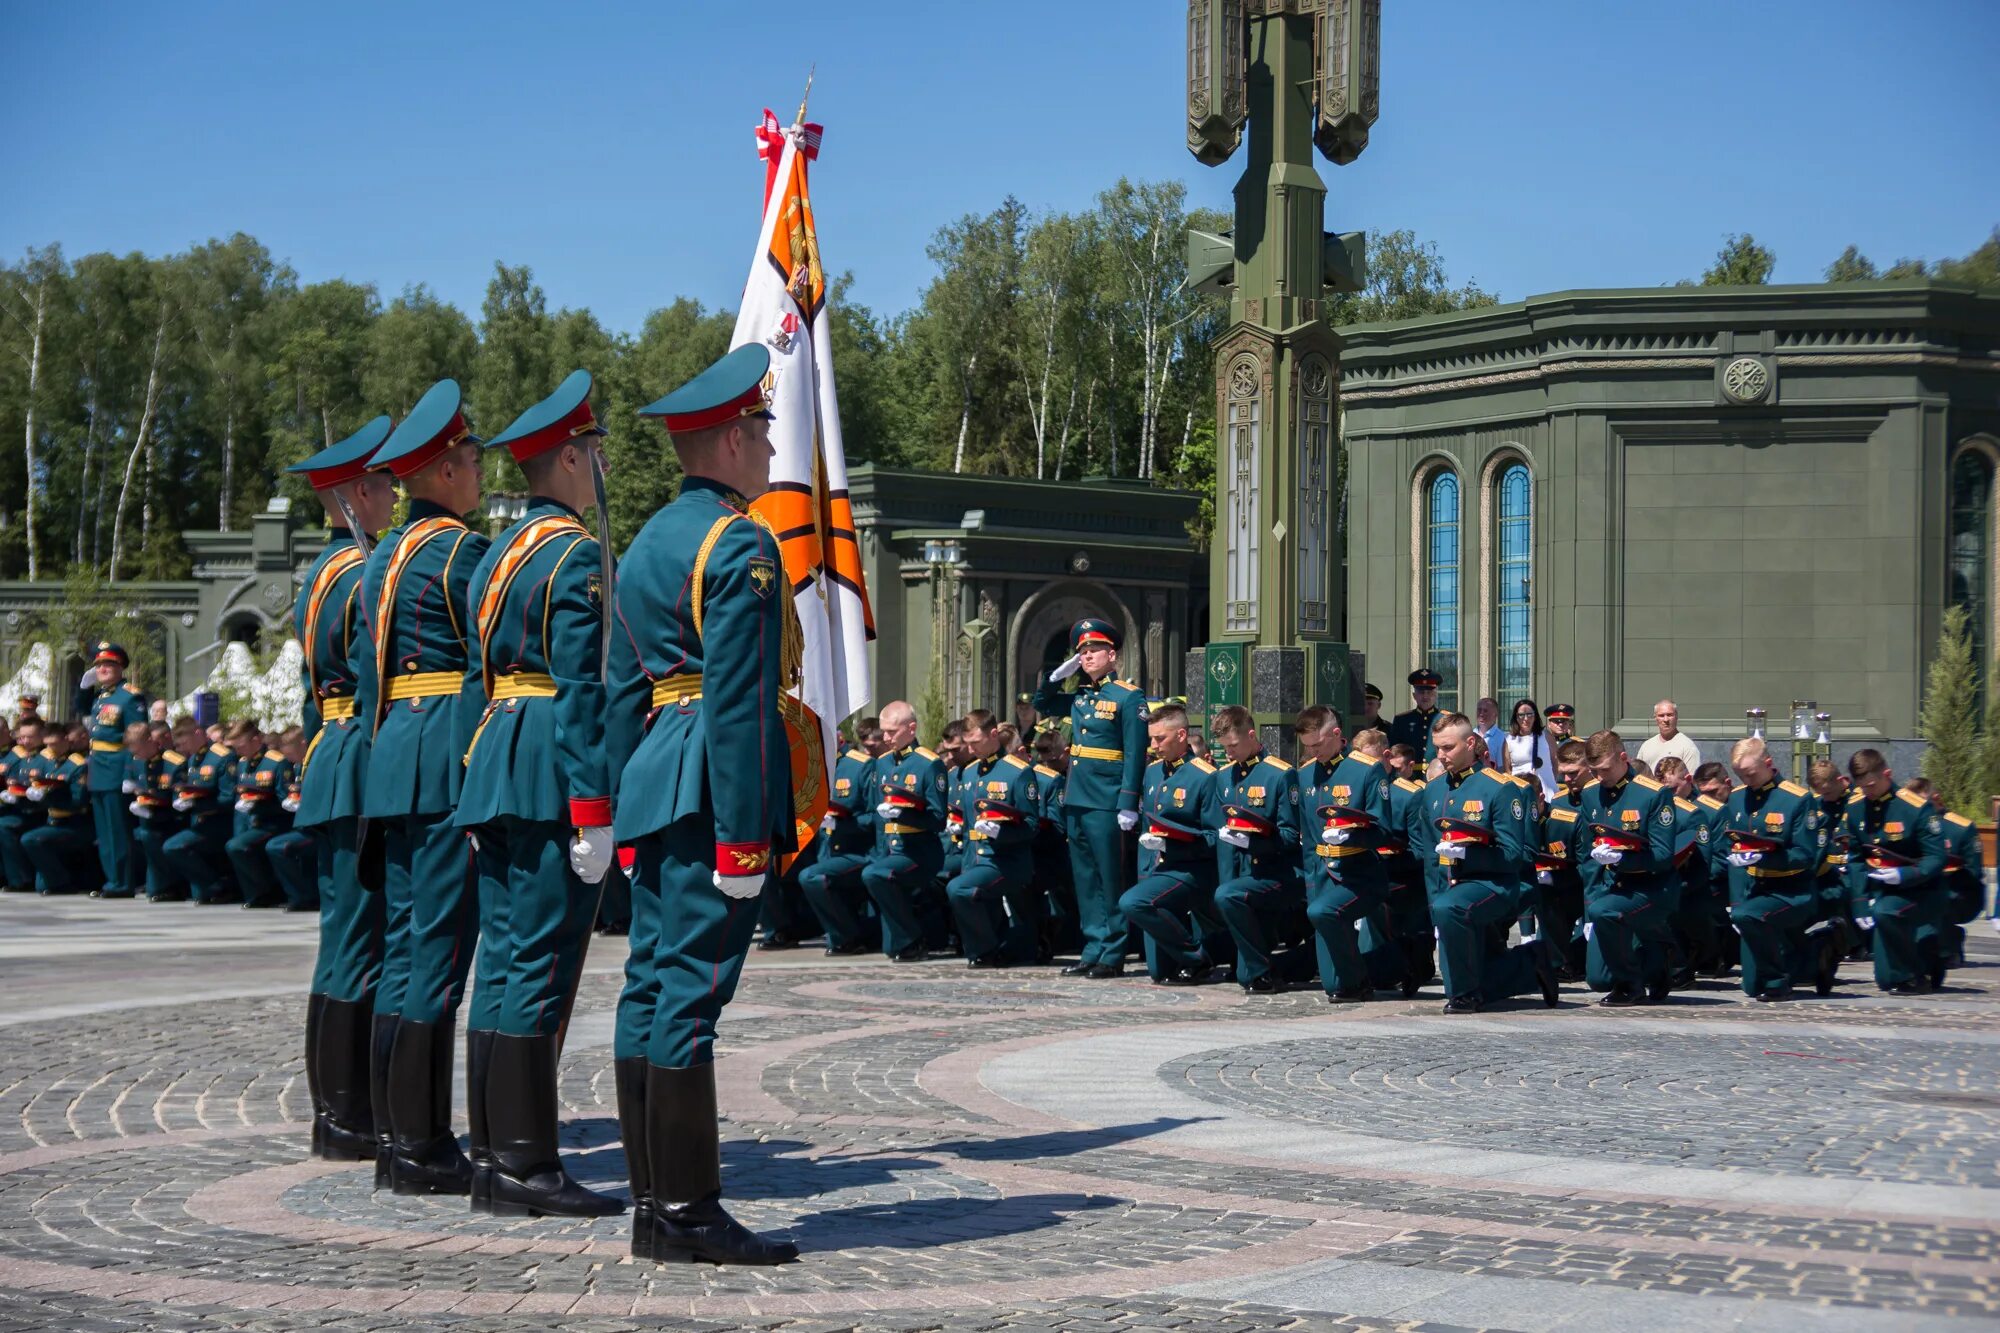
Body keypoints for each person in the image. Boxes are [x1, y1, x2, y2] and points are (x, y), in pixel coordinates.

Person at [607, 342, 798, 1264]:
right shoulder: (741, 542)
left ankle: (654, 1200)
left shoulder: (646, 543)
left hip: (653, 778)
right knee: (688, 994)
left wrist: (606, 809)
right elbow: (740, 705)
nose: (770, 446)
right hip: (705, 786)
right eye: (761, 428)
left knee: (649, 984)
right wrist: (744, 840)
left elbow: (618, 689)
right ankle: (685, 1210)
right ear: (728, 437)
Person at [442, 371, 625, 1219]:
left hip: (498, 760)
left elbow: (488, 677)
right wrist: (594, 810)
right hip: (551, 764)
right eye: (592, 452)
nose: (600, 466)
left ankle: (493, 1157)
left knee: (505, 965)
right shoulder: (575, 555)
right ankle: (524, 1163)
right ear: (566, 456)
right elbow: (583, 690)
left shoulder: (502, 554)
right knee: (542, 967)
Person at [361, 379, 491, 1196]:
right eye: (473, 459)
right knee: (438, 954)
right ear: (444, 468)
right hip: (444, 748)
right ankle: (420, 1144)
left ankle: (392, 1135)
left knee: (406, 949)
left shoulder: (383, 557)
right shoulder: (461, 553)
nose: (480, 472)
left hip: (396, 751)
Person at [286, 416, 396, 1168]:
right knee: (359, 941)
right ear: (359, 492)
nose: (394, 492)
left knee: (343, 942)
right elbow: (375, 682)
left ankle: (340, 1112)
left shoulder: (321, 572)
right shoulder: (360, 573)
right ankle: (348, 1113)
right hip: (358, 756)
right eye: (386, 481)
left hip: (329, 752)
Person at [1414, 712, 1556, 1013]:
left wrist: (1467, 854)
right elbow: (1430, 854)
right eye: (1438, 747)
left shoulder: (1500, 788)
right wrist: (1433, 897)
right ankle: (1530, 963)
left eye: (1449, 747)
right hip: (1449, 890)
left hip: (1492, 882)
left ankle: (1468, 995)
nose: (1441, 754)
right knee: (1470, 975)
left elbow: (1513, 854)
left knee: (1460, 987)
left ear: (1470, 743)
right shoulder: (1433, 790)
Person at [1031, 618, 1149, 978]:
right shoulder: (1082, 697)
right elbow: (1042, 702)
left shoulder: (1128, 697)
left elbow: (1134, 752)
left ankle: (1112, 952)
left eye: (1093, 650)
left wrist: (1128, 802)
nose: (1086, 656)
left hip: (1107, 800)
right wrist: (1055, 676)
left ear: (1112, 655)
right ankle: (1092, 947)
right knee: (1084, 878)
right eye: (1081, 651)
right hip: (1078, 798)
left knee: (1108, 877)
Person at [1294, 705, 1401, 1002]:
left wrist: (1351, 834)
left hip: (1358, 872)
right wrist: (1310, 881)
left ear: (1337, 734)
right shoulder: (1304, 775)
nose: (1313, 752)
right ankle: (1391, 966)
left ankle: (1361, 981)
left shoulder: (1367, 769)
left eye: (1317, 744)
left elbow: (1383, 830)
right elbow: (1307, 837)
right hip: (1321, 874)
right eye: (1307, 746)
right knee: (1331, 983)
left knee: (1323, 914)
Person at [1117, 703, 1226, 985]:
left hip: (1191, 869)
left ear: (1181, 736)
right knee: (1159, 973)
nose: (1153, 746)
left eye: (1160, 739)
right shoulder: (1153, 772)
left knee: (1133, 902)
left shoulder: (1205, 776)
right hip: (1157, 870)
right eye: (1151, 739)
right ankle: (1199, 953)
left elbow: (1216, 838)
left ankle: (1197, 956)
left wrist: (1172, 846)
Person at [1576, 730, 1679, 1007]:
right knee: (1597, 979)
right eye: (1594, 771)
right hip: (1614, 888)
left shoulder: (1652, 795)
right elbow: (1587, 854)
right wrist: (1591, 898)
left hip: (1653, 886)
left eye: (1605, 770)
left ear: (1623, 758)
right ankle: (1654, 956)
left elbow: (1662, 856)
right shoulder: (1590, 795)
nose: (1600, 777)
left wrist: (1622, 860)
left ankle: (1630, 985)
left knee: (1605, 912)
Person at [1716, 738, 1824, 1002]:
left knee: (1748, 916)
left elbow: (1805, 855)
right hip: (1755, 888)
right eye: (1740, 775)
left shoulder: (1797, 800)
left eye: (1750, 774)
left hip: (1791, 888)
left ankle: (1779, 979)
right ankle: (1805, 948)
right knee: (1751, 986)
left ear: (1768, 763)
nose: (1747, 780)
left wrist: (1760, 859)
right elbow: (1729, 841)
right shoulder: (1738, 798)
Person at [1208, 705, 1302, 993]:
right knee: (1243, 978)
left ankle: (1263, 970)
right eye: (1224, 748)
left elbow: (1290, 834)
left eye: (1233, 746)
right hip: (1237, 871)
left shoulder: (1279, 774)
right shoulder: (1223, 776)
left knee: (1229, 898)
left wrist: (1253, 842)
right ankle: (1258, 969)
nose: (1229, 754)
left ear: (1252, 735)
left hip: (1273, 870)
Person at [1841, 749, 1947, 994]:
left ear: (1887, 774)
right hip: (1883, 889)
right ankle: (1920, 962)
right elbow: (1856, 858)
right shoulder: (1856, 808)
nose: (1867, 792)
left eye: (1871, 785)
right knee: (1885, 979)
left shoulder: (1915, 808)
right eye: (1862, 787)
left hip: (1922, 889)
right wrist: (1858, 901)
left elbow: (1936, 857)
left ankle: (1915, 976)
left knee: (1885, 911)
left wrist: (1904, 875)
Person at [944, 709, 1043, 967]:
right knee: (972, 897)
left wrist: (1001, 832)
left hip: (1005, 860)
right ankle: (988, 949)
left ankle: (986, 950)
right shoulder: (968, 772)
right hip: (974, 858)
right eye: (968, 744)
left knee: (958, 889)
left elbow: (1031, 825)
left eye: (976, 742)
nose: (972, 749)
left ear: (994, 734)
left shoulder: (1018, 772)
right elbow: (967, 825)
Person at [859, 701, 950, 963]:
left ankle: (912, 937)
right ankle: (907, 940)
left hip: (918, 850)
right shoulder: (882, 763)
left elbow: (937, 818)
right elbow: (877, 815)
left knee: (874, 875)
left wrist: (905, 814)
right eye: (883, 732)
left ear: (911, 728)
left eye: (892, 732)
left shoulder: (929, 764)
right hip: (889, 849)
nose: (886, 738)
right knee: (892, 949)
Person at [799, 716, 882, 956]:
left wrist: (840, 821)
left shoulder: (861, 765)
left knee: (812, 878)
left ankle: (846, 938)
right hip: (824, 849)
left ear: (839, 738)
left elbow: (874, 817)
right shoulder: (813, 766)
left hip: (857, 851)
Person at [81, 641, 149, 897]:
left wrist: (131, 773)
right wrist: (84, 689)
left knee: (117, 831)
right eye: (99, 665)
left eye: (109, 664)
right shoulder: (101, 697)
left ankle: (122, 882)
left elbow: (136, 738)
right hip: (98, 769)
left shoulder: (130, 697)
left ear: (121, 667)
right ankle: (112, 880)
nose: (103, 669)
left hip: (117, 769)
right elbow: (82, 710)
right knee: (104, 832)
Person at [1903, 776, 1985, 968]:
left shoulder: (1960, 828)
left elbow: (1974, 872)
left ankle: (1948, 948)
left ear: (1936, 799)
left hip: (1959, 892)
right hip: (1917, 885)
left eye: (1921, 803)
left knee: (1939, 899)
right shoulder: (1908, 826)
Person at [162, 722, 238, 903]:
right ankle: (212, 887)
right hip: (198, 822)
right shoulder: (193, 759)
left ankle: (218, 887)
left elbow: (228, 797)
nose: (183, 748)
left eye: (185, 742)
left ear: (198, 733)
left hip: (219, 822)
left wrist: (197, 804)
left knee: (173, 846)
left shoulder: (222, 757)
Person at [221, 720, 293, 909]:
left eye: (241, 745)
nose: (238, 750)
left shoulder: (277, 762)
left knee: (236, 846)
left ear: (256, 740)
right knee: (236, 844)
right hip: (252, 821)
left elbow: (285, 801)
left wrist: (261, 802)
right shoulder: (243, 764)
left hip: (274, 822)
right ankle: (255, 893)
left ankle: (266, 890)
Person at [20, 723, 97, 894]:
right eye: (47, 745)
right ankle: (58, 880)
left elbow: (78, 801)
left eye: (54, 744)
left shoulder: (77, 765)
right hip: (53, 821)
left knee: (30, 840)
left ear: (66, 741)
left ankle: (62, 883)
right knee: (42, 886)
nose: (50, 749)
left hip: (74, 823)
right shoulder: (49, 763)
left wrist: (48, 798)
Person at [263, 728, 319, 912]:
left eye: (290, 753)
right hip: (301, 825)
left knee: (278, 847)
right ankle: (298, 895)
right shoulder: (296, 766)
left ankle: (304, 896)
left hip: (316, 828)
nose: (288, 758)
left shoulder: (315, 764)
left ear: (303, 745)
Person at [0, 716, 47, 893]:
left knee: (2, 827)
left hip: (31, 812)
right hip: (14, 807)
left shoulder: (21, 757)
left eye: (29, 737)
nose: (25, 741)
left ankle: (19, 879)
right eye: (22, 737)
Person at [1502, 699, 1558, 798]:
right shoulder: (1509, 740)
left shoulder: (1546, 735)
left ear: (1535, 716)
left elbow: (1556, 762)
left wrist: (1551, 780)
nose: (1526, 718)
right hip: (1521, 791)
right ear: (1516, 717)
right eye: (1521, 715)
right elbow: (1508, 770)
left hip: (1547, 791)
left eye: (1529, 714)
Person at [1387, 669, 1443, 761]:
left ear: (1436, 694)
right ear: (1414, 695)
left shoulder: (1446, 719)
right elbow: (1395, 751)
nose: (1425, 696)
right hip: (1409, 773)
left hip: (1438, 772)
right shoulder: (1401, 720)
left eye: (1429, 692)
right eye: (1421, 692)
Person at [1637, 699, 1701, 773]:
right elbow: (1638, 775)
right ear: (1655, 718)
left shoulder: (1687, 746)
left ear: (1676, 716)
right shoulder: (1647, 746)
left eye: (1669, 715)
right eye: (1661, 715)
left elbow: (1692, 779)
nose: (1666, 719)